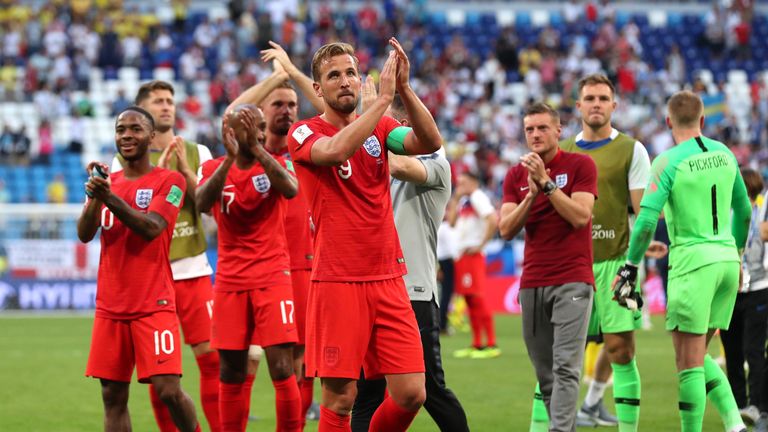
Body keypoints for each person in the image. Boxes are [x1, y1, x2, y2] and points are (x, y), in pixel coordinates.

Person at [286, 39, 441, 431]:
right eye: (333, 75)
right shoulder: (304, 132)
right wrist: (379, 103)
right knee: (341, 400)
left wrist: (403, 89)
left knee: (411, 394)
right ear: (317, 89)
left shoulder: (382, 128)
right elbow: (335, 151)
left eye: (351, 73)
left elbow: (429, 143)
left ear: (360, 79)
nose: (345, 81)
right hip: (337, 280)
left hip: (388, 277)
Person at [612, 90, 751, 432]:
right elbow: (745, 212)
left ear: (668, 121)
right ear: (703, 121)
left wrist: (630, 266)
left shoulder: (668, 160)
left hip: (693, 262)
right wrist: (737, 256)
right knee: (699, 355)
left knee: (687, 364)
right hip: (726, 262)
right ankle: (734, 424)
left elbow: (646, 221)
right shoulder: (725, 153)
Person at [350, 89, 469, 432]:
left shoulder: (436, 166)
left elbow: (399, 164)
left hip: (413, 291)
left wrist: (370, 120)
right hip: (371, 290)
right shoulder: (373, 172)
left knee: (430, 389)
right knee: (366, 392)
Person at [77, 106, 200, 432]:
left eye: (135, 129)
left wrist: (109, 198)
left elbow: (151, 228)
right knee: (112, 396)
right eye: (121, 130)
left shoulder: (170, 181)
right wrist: (95, 195)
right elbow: (85, 233)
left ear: (151, 136)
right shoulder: (106, 182)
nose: (127, 135)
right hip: (110, 307)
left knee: (168, 390)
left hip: (153, 304)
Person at [111, 80, 220, 432]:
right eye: (157, 101)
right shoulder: (123, 159)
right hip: (152, 280)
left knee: (211, 359)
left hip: (193, 271)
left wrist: (183, 175)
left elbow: (207, 206)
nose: (166, 106)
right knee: (159, 372)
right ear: (142, 110)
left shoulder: (197, 151)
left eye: (170, 100)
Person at [196, 105, 302, 432]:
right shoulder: (213, 168)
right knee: (230, 372)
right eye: (249, 127)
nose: (258, 132)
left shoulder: (276, 164)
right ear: (228, 132)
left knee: (282, 367)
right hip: (229, 280)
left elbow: (291, 188)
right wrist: (229, 159)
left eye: (260, 127)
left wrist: (257, 149)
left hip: (272, 276)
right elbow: (199, 203)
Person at [559, 74, 652, 430]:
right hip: (571, 265)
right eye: (589, 98)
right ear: (578, 105)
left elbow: (641, 213)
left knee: (621, 350)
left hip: (615, 262)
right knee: (561, 357)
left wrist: (635, 261)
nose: (596, 104)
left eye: (602, 98)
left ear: (614, 105)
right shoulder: (563, 150)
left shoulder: (632, 149)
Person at [499, 102, 598, 432]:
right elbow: (505, 229)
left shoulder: (581, 165)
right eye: (530, 129)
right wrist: (531, 193)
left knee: (566, 366)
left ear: (559, 131)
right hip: (533, 282)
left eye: (543, 128)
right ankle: (563, 426)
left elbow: (581, 217)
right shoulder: (516, 175)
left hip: (573, 279)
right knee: (545, 373)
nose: (536, 134)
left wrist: (548, 184)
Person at [721, 168, 768, 428]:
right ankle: (738, 406)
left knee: (752, 350)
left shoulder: (762, 209)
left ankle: (758, 406)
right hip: (733, 288)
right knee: (733, 351)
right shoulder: (726, 212)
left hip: (759, 286)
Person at [447, 170, 500, 359]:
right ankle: (477, 344)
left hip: (472, 254)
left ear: (472, 182)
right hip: (463, 255)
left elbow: (493, 219)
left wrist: (481, 244)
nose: (459, 186)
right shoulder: (465, 201)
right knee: (470, 298)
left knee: (477, 297)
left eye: (462, 182)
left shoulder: (478, 197)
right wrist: (455, 198)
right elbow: (451, 222)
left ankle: (491, 343)